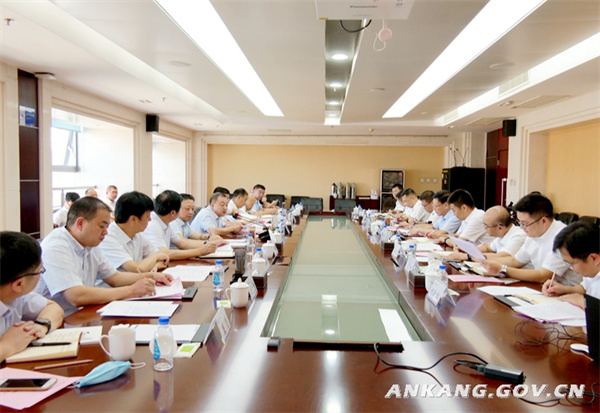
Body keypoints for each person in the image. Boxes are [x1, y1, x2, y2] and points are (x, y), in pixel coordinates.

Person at [34, 197, 173, 316]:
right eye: (102, 226)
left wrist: (152, 276)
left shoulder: (90, 244)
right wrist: (132, 291)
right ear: (80, 223)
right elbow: (76, 296)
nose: (106, 232)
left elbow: (115, 278)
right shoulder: (56, 246)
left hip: (83, 314)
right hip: (58, 323)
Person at [478, 193, 581, 286]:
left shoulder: (563, 237)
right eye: (520, 223)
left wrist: (503, 269)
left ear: (543, 221)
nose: (521, 228)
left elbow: (543, 275)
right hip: (546, 289)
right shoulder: (533, 233)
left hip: (567, 292)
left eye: (524, 223)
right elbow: (515, 261)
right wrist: (484, 260)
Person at [1, 231, 65, 363]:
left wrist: (42, 325)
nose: (41, 275)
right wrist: (7, 346)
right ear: (19, 284)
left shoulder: (16, 295)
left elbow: (53, 307)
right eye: (40, 271)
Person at [99, 191, 170, 272]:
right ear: (133, 219)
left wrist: (156, 266)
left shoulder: (136, 234)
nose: (150, 219)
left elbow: (163, 258)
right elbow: (137, 269)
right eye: (147, 216)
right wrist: (155, 257)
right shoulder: (108, 238)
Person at [143, 190, 223, 258]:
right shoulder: (152, 224)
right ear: (173, 213)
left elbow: (181, 243)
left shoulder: (165, 222)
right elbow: (164, 253)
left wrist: (209, 244)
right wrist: (199, 251)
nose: (191, 212)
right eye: (186, 209)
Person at [542, 221, 600, 308]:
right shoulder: (592, 270)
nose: (572, 268)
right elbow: (584, 288)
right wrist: (563, 289)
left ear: (594, 259)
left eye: (572, 263)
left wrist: (584, 302)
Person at [446, 205, 526, 260]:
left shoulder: (518, 236)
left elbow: (502, 256)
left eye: (487, 226)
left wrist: (467, 256)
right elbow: (488, 248)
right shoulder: (502, 234)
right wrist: (468, 250)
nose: (485, 228)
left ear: (500, 227)